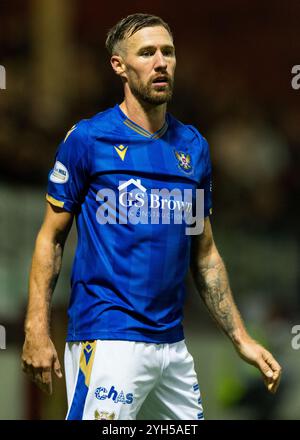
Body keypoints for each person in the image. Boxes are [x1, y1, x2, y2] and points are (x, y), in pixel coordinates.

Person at [21, 13, 282, 420]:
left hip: (172, 348)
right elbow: (50, 238)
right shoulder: (88, 140)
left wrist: (241, 338)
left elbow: (206, 253)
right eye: (147, 53)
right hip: (108, 338)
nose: (161, 62)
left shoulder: (193, 147)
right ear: (119, 66)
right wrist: (36, 329)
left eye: (168, 52)